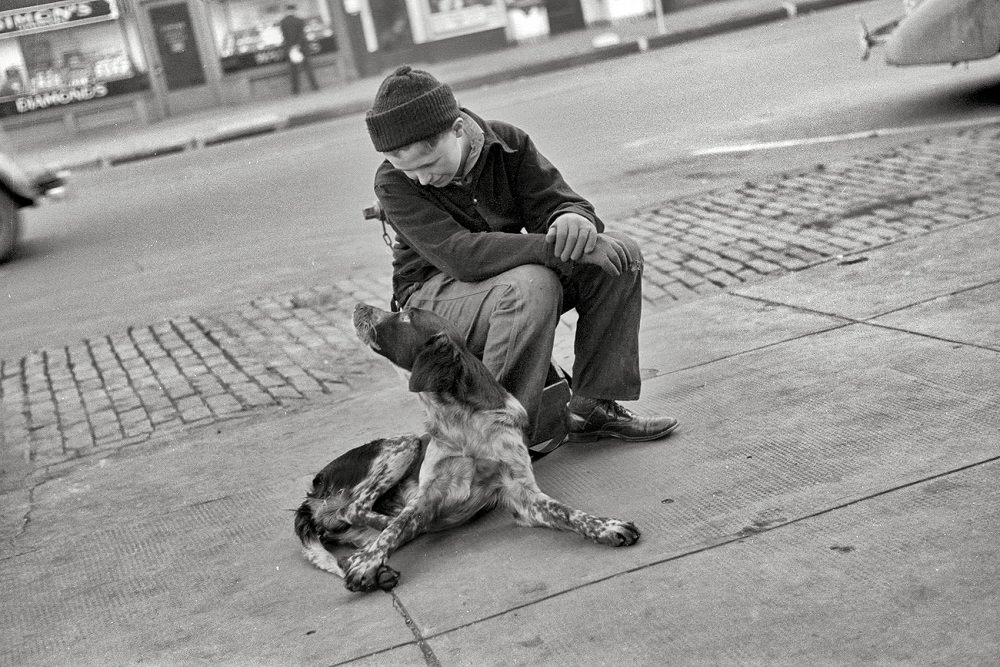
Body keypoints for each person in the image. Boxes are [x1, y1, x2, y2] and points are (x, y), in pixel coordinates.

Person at [364, 66, 678, 445]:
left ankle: (592, 406)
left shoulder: (508, 143)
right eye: (408, 170)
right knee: (532, 284)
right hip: (430, 297)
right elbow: (461, 255)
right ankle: (495, 439)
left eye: (429, 165)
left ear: (458, 129)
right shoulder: (391, 182)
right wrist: (554, 247)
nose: (422, 179)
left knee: (620, 255)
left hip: (503, 280)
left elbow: (560, 202)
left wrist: (571, 220)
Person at [278, 3, 319, 95]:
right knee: (308, 68)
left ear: (286, 11)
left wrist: (291, 47)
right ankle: (314, 86)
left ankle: (295, 90)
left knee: (293, 71)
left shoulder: (283, 22)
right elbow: (301, 35)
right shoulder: (299, 21)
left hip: (290, 49)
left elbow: (285, 36)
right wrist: (297, 45)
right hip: (302, 48)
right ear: (294, 10)